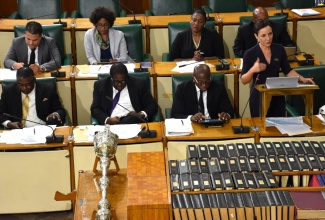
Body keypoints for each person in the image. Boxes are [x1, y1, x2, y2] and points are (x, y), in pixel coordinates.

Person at [241, 20, 314, 118]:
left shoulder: (279, 49)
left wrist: (303, 79)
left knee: (278, 128)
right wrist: (253, 69)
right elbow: (244, 80)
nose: (268, 38)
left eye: (270, 34)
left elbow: (287, 71)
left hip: (277, 95)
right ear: (256, 36)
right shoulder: (250, 54)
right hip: (259, 97)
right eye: (263, 35)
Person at [91, 62, 158, 125]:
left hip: (133, 123)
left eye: (123, 81)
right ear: (111, 78)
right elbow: (95, 108)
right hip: (111, 124)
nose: (120, 84)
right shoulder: (100, 86)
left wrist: (140, 115)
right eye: (116, 82)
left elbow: (153, 105)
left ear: (127, 77)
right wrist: (108, 119)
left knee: (131, 118)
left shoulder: (138, 84)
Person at [0, 67, 66, 129]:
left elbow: (60, 110)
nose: (24, 88)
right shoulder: (8, 92)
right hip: (18, 130)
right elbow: (1, 113)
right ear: (17, 82)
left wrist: (56, 114)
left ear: (34, 80)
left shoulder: (47, 90)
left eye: (28, 85)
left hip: (43, 129)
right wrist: (9, 123)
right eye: (21, 85)